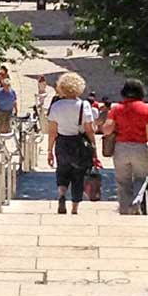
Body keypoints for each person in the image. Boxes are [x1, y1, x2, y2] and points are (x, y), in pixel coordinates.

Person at [44, 70, 97, 215]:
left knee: (62, 170)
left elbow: (52, 132)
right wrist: (94, 146)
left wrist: (49, 151)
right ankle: (74, 208)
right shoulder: (84, 105)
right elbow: (89, 129)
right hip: (78, 142)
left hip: (62, 142)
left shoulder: (56, 106)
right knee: (78, 175)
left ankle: (62, 193)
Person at [106, 80, 148, 214]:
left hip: (121, 148)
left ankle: (124, 210)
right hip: (140, 148)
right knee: (141, 178)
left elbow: (107, 129)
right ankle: (136, 201)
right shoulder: (146, 109)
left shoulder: (116, 109)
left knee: (123, 181)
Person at [0, 67, 18, 136]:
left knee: (7, 128)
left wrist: (16, 111)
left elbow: (14, 102)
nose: (7, 87)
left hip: (9, 112)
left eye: (8, 85)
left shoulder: (12, 92)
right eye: (6, 85)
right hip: (0, 112)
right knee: (0, 127)